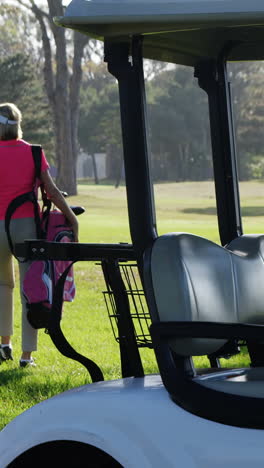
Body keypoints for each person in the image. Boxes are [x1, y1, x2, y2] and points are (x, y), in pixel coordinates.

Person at [0, 102, 79, 368]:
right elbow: (53, 191)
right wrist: (71, 219)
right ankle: (26, 356)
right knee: (29, 289)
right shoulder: (33, 153)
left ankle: (3, 344)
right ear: (18, 124)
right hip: (26, 228)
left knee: (2, 286)